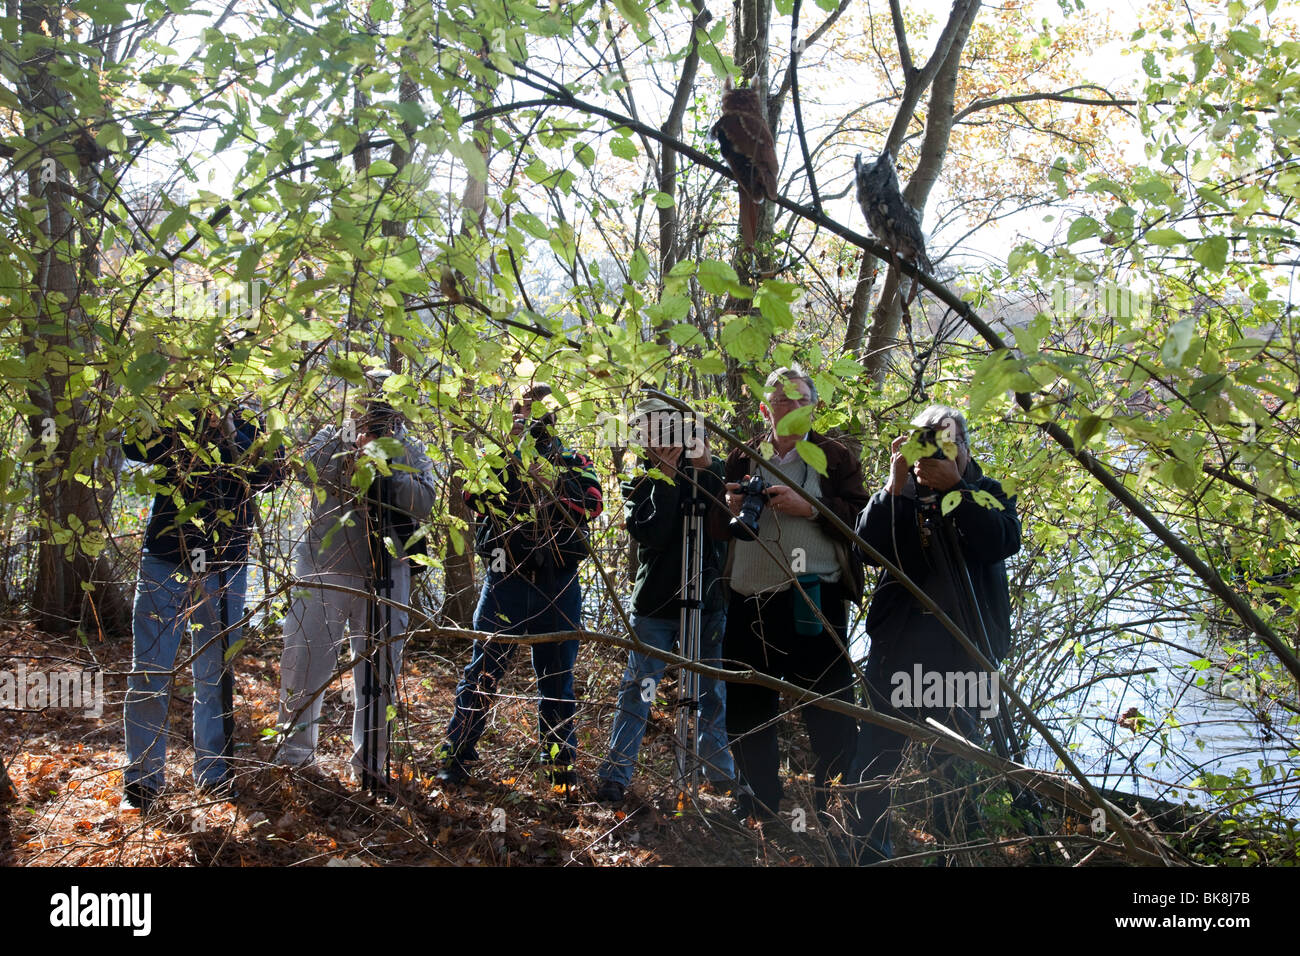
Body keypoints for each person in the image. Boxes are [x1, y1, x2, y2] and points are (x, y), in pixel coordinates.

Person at [849, 404, 1021, 862]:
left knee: (956, 769)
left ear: (964, 447)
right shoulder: (902, 495)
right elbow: (865, 547)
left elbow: (1000, 542)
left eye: (947, 443)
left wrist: (958, 492)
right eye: (926, 443)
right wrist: (894, 483)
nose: (937, 454)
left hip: (966, 651)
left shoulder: (986, 492)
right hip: (899, 651)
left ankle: (956, 854)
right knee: (874, 759)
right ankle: (868, 852)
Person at [711, 367, 870, 824]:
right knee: (747, 709)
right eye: (782, 400)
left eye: (801, 400)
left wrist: (812, 509)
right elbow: (723, 531)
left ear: (814, 407)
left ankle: (836, 807)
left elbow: (862, 522)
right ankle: (757, 802)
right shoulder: (742, 457)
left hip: (813, 597)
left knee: (830, 709)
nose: (792, 408)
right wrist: (730, 505)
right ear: (765, 409)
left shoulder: (833, 456)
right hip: (748, 599)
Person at [436, 384, 603, 789]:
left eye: (539, 415)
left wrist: (550, 481)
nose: (531, 423)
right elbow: (472, 494)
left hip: (557, 586)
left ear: (553, 418)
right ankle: (455, 755)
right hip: (504, 580)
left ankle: (560, 770)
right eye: (523, 415)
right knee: (483, 671)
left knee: (558, 679)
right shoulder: (497, 456)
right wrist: (509, 456)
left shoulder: (573, 459)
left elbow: (594, 504)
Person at [122, 400, 283, 811]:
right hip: (166, 555)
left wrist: (229, 432)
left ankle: (214, 775)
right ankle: (143, 780)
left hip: (226, 563)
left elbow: (271, 474)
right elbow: (134, 446)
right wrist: (184, 416)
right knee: (150, 669)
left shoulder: (257, 418)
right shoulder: (181, 403)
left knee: (215, 674)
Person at [274, 391, 437, 787]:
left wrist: (386, 463)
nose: (371, 414)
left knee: (379, 674)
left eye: (380, 407)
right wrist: (348, 444)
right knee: (304, 663)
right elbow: (305, 471)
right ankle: (293, 762)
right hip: (323, 567)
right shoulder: (330, 438)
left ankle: (370, 766)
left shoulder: (409, 449)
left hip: (387, 571)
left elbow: (424, 501)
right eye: (365, 404)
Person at [592, 398, 735, 804]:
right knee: (640, 689)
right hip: (655, 603)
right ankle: (616, 774)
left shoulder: (710, 467)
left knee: (711, 693)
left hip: (706, 599)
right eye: (646, 430)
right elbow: (652, 533)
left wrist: (707, 468)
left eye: (663, 428)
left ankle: (719, 773)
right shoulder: (639, 477)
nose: (656, 438)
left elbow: (726, 521)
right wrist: (667, 477)